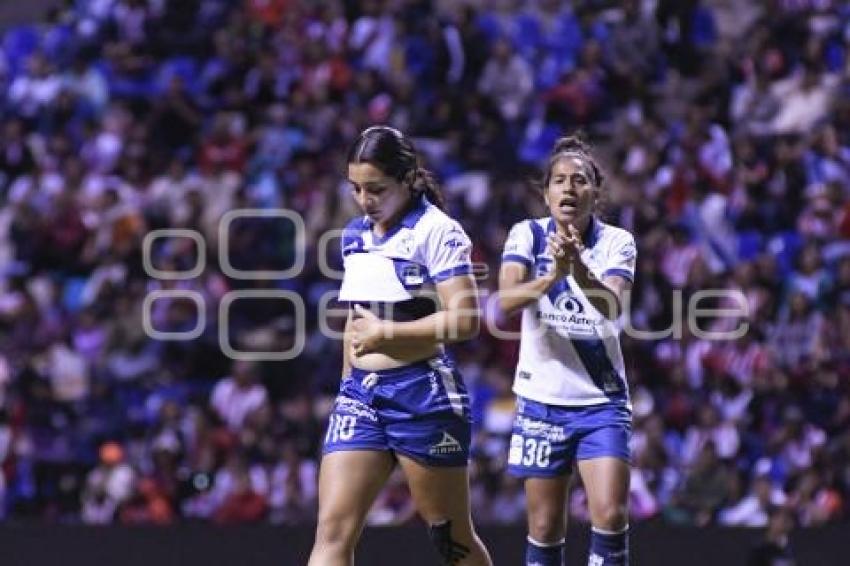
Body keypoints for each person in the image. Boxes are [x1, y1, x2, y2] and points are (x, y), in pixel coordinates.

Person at [308, 125, 492, 566]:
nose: (365, 200)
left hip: (423, 396)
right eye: (355, 188)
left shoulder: (438, 232)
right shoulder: (355, 237)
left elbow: (465, 320)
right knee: (332, 532)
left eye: (376, 188)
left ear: (408, 178)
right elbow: (357, 322)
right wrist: (345, 387)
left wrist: (385, 335)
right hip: (360, 397)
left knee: (449, 537)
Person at [498, 136, 637, 565]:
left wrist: (575, 267)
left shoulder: (617, 242)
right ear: (546, 193)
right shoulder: (527, 234)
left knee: (611, 515)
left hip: (601, 401)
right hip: (541, 401)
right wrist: (550, 276)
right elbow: (505, 302)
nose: (568, 188)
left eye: (579, 180)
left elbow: (612, 305)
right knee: (543, 527)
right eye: (559, 180)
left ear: (596, 193)